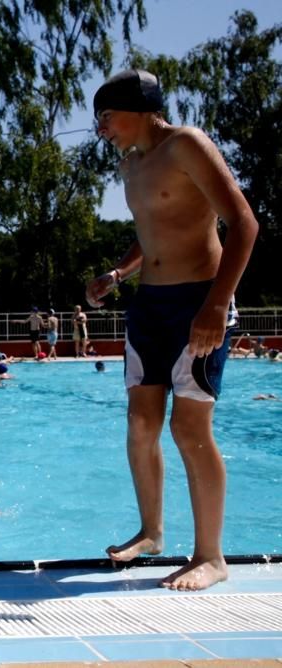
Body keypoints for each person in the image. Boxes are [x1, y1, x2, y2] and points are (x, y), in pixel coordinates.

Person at [87, 69, 258, 591]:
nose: (102, 129)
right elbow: (153, 233)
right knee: (141, 424)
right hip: (149, 306)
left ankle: (211, 556)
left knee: (189, 429)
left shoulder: (187, 144)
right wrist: (119, 273)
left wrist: (217, 303)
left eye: (107, 117)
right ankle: (152, 532)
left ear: (139, 109)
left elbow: (243, 222)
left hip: (199, 301)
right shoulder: (129, 165)